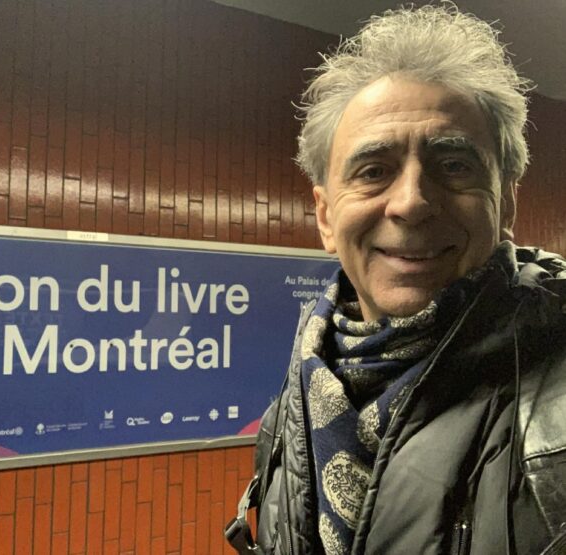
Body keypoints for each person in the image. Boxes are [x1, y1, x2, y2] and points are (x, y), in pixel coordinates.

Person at [226, 5, 566, 554]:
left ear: (505, 203)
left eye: (453, 166)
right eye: (374, 171)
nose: (411, 203)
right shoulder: (292, 409)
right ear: (326, 217)